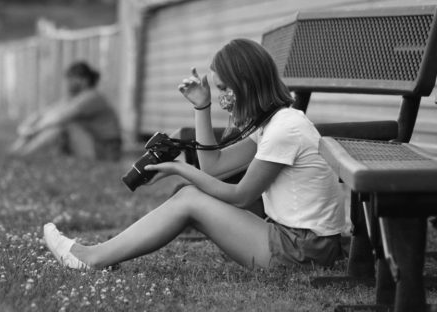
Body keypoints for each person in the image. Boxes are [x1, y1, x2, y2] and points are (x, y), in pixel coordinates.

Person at [43, 39, 345, 270]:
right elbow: (214, 168)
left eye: (225, 88)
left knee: (189, 198)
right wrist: (202, 107)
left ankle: (92, 257)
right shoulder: (272, 124)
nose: (223, 97)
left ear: (247, 84)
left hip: (304, 250)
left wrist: (178, 169)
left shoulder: (285, 129)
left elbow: (240, 196)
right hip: (294, 240)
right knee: (190, 196)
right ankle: (99, 254)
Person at [8, 61, 121, 161]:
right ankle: (15, 152)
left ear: (84, 80)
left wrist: (34, 129)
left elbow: (61, 118)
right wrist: (27, 125)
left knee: (63, 126)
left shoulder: (92, 97)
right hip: (93, 145)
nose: (68, 83)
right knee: (48, 123)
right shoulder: (75, 98)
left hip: (105, 150)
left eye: (72, 79)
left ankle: (24, 155)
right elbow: (46, 113)